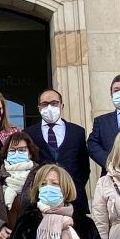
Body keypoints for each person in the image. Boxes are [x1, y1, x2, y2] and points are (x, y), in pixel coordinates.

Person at [24, 88, 91, 217]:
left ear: (62, 105)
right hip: (42, 202)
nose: (49, 107)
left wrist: (70, 186)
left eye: (54, 103)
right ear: (39, 108)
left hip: (75, 201)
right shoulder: (29, 134)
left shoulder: (77, 132)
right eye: (44, 104)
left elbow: (84, 168)